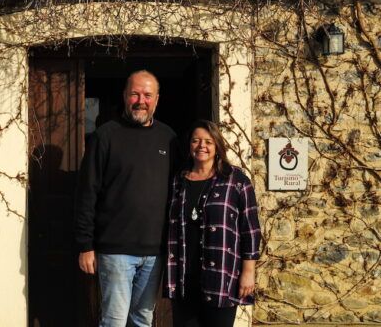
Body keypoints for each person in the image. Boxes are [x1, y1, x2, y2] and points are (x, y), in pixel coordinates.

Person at [75, 70, 180, 327]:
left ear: (157, 99)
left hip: (155, 251)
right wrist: (85, 245)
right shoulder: (105, 136)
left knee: (143, 319)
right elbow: (87, 192)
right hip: (115, 251)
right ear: (125, 96)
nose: (140, 100)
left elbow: (180, 192)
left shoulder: (169, 138)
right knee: (114, 321)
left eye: (147, 95)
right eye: (134, 94)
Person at [165, 120, 261, 327]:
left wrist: (248, 272)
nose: (202, 146)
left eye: (208, 141)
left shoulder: (236, 180)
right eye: (196, 141)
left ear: (217, 146)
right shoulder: (178, 180)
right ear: (189, 145)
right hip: (184, 277)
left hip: (221, 276)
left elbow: (250, 229)